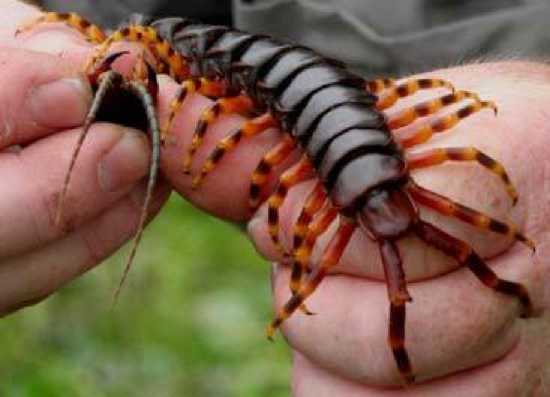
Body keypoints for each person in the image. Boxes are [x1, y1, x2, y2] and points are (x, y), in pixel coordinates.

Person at [3, 0, 550, 395]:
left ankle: (445, 313)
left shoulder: (198, 66)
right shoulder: (175, 48)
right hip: (330, 115)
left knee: (399, 278)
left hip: (344, 126)